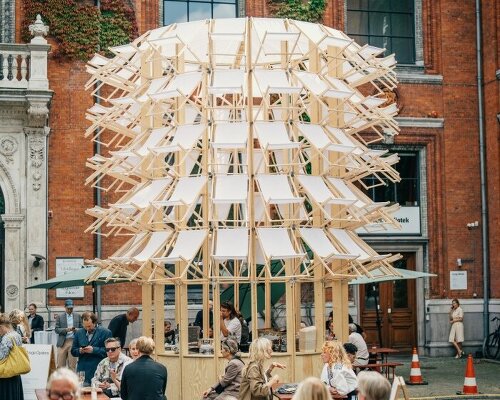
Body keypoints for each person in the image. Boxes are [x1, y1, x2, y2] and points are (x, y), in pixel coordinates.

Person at [71, 311, 112, 385]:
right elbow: (73, 351)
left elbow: (109, 351)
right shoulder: (79, 333)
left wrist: (94, 350)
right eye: (85, 326)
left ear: (95, 323)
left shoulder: (106, 332)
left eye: (89, 326)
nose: (87, 328)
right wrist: (80, 351)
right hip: (82, 371)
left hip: (98, 370)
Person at [121, 336, 167, 400]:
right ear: (152, 350)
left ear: (139, 349)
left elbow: (123, 395)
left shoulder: (128, 368)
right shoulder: (162, 368)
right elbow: (162, 391)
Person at [0, 313, 25, 400]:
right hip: (15, 373)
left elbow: (1, 357)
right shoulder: (16, 334)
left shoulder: (6, 338)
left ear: (2, 326)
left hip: (6, 376)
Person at [55, 299, 82, 370]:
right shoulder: (60, 317)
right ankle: (61, 380)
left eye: (71, 308)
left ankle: (71, 380)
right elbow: (56, 329)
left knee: (72, 365)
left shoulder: (77, 316)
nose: (70, 310)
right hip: (62, 342)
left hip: (73, 341)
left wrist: (77, 330)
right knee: (60, 365)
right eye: (68, 308)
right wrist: (65, 330)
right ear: (65, 307)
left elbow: (82, 329)